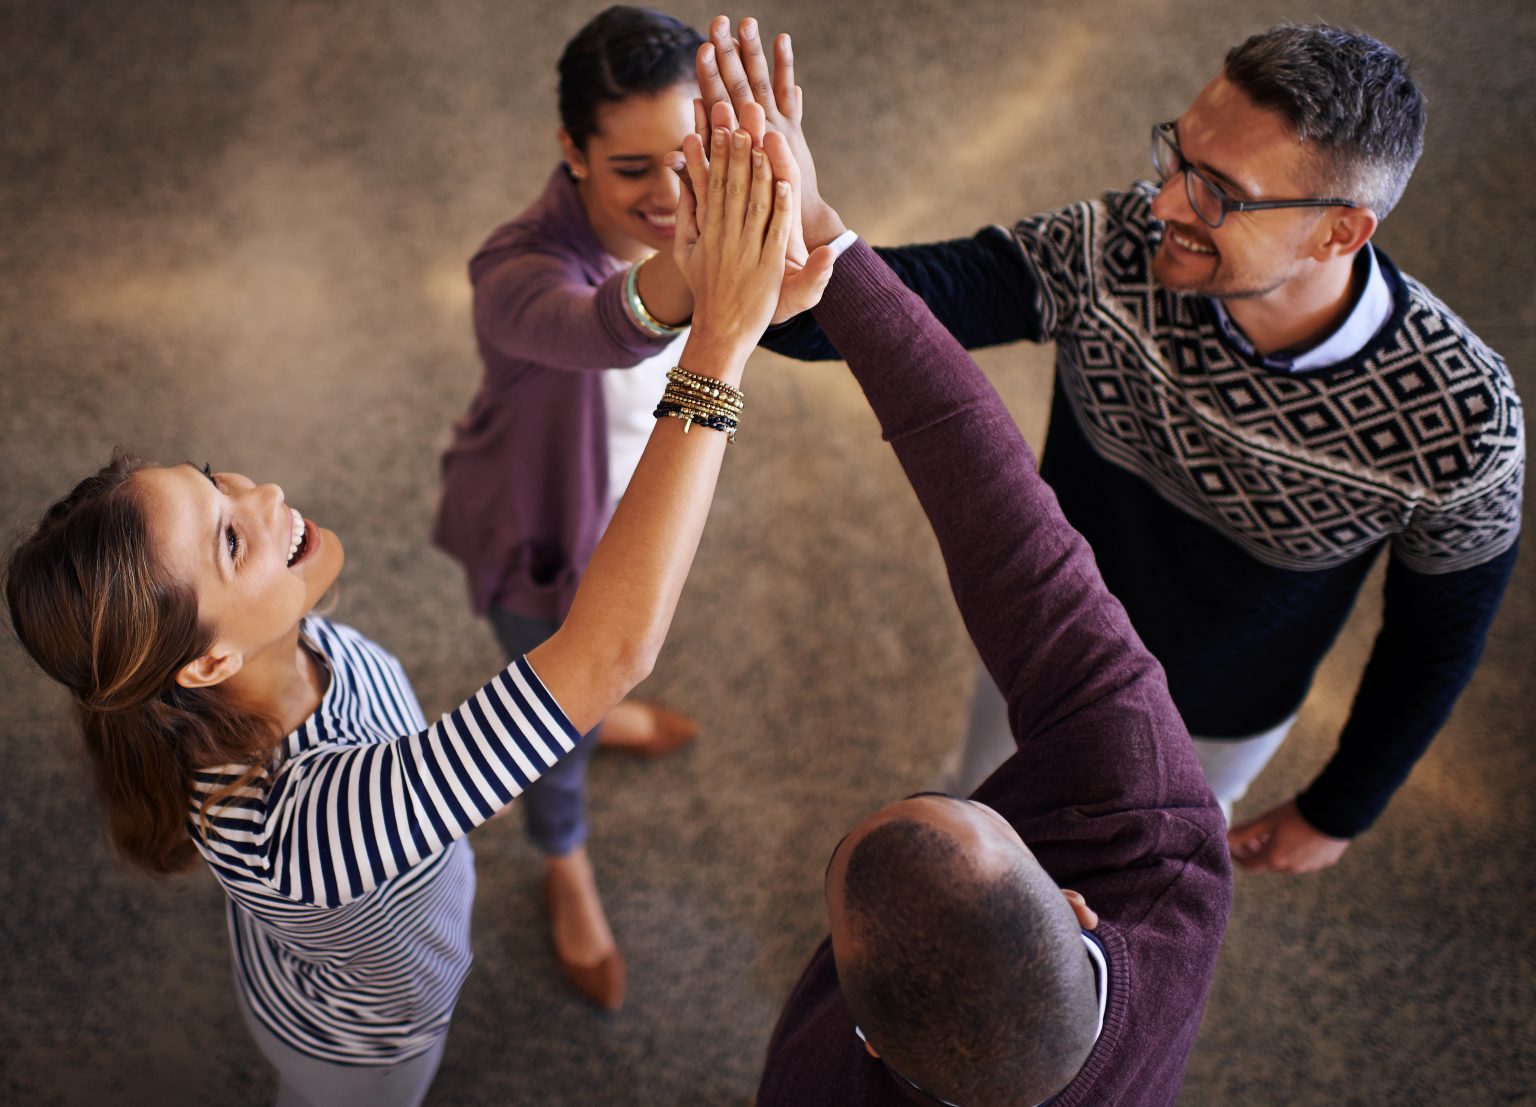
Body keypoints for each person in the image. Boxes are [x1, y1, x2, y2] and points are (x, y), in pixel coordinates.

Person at [4, 115, 807, 1107]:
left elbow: (424, 759)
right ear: (203, 664)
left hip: (384, 875)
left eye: (218, 485)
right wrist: (720, 347)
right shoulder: (324, 824)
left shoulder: (264, 658)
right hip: (366, 1051)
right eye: (228, 540)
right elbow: (608, 653)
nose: (264, 498)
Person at [714, 18, 1524, 874]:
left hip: (1216, 714)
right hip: (1041, 642)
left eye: (1218, 191)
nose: (1166, 202)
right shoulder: (1112, 251)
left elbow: (1436, 638)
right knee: (977, 829)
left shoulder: (1460, 417)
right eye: (1175, 153)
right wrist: (786, 224)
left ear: (1339, 233)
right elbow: (864, 321)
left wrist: (1339, 806)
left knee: (1138, 883)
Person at [679, 27, 1232, 1105]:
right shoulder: (1168, 852)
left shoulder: (810, 1088)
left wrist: (709, 361)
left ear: (866, 1046)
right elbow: (1016, 543)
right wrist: (832, 245)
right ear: (1076, 909)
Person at [431, 6, 709, 1009]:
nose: (671, 197)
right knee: (551, 718)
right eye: (633, 168)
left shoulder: (686, 215)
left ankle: (604, 715)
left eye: (689, 158)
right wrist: (714, 260)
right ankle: (564, 862)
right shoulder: (513, 272)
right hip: (536, 545)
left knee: (601, 678)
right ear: (573, 152)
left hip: (625, 511)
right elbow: (609, 325)